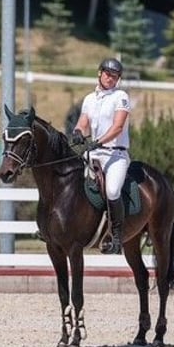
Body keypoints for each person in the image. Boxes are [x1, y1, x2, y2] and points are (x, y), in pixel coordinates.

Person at [72, 57, 131, 254]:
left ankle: (116, 236)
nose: (110, 78)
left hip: (115, 155)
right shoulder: (90, 99)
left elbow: (118, 127)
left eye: (114, 76)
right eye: (107, 74)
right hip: (94, 153)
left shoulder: (120, 97)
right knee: (70, 179)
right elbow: (83, 121)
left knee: (113, 191)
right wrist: (78, 132)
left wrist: (99, 141)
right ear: (99, 73)